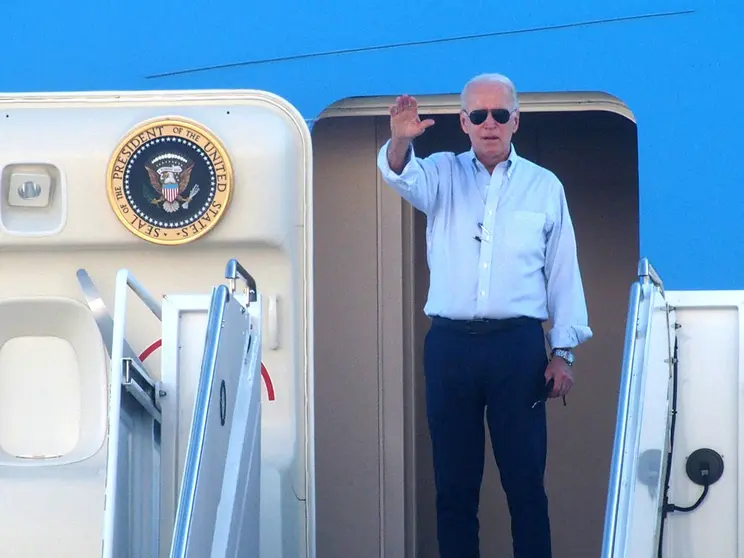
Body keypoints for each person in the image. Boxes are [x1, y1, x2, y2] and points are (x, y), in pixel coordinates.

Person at [376, 73, 593, 558]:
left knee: (525, 483)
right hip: (451, 347)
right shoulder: (441, 174)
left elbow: (562, 272)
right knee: (454, 485)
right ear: (463, 122)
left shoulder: (544, 186)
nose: (489, 124)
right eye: (478, 115)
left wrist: (563, 353)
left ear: (515, 121)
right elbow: (399, 174)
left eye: (499, 115)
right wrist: (397, 141)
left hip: (517, 348)